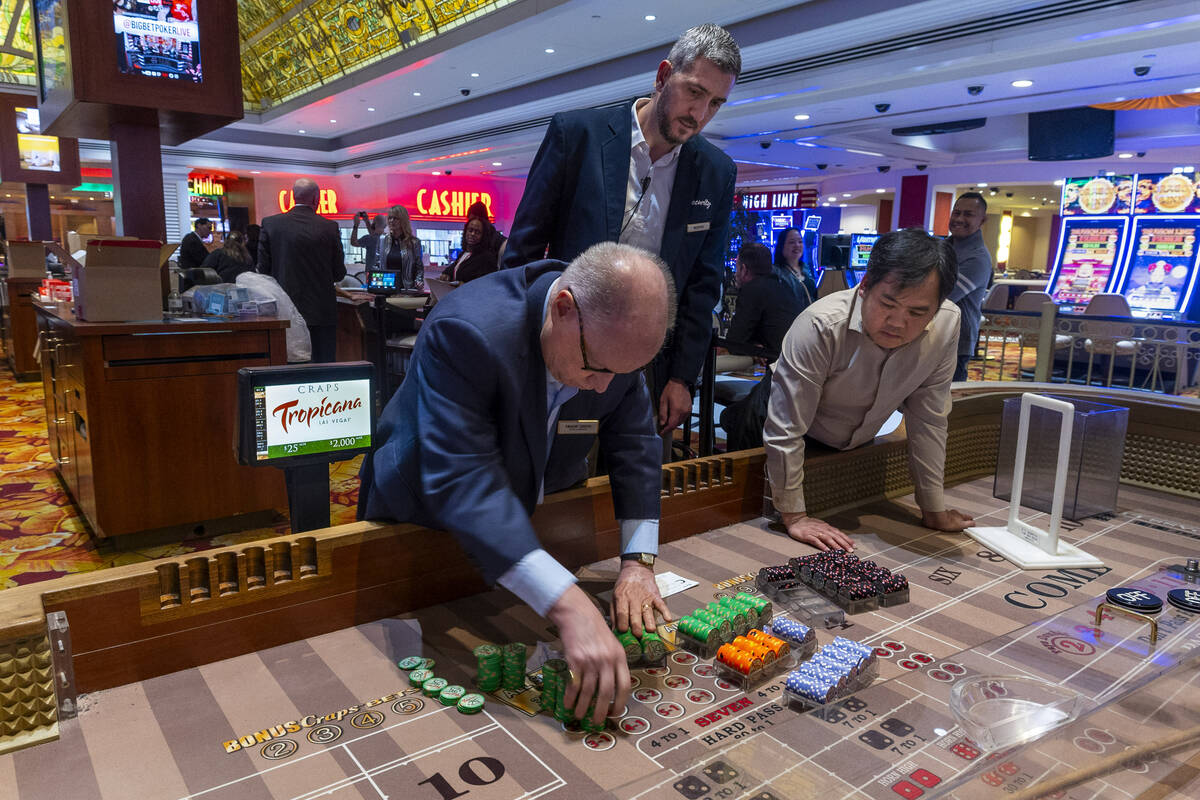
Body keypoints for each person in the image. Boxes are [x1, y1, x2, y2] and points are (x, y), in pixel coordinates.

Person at [360, 242, 675, 726]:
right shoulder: (467, 331)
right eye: (598, 368)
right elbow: (464, 480)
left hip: (522, 521)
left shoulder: (611, 345)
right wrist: (569, 605)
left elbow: (635, 441)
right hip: (418, 520)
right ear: (563, 308)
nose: (603, 387)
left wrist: (637, 561)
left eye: (625, 374)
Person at [501, 24, 741, 443]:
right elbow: (521, 254)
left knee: (636, 480)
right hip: (567, 350)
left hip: (652, 366)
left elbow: (703, 286)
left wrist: (682, 378)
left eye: (716, 103)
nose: (700, 115)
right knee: (557, 477)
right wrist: (521, 349)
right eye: (695, 92)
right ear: (664, 75)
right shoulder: (576, 136)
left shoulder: (716, 173)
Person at [763, 228, 976, 552]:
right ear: (864, 287)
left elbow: (929, 418)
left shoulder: (948, 324)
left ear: (937, 307)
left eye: (917, 312)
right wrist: (795, 517)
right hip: (774, 420)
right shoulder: (820, 325)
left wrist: (933, 509)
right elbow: (785, 430)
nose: (897, 322)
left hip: (849, 443)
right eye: (888, 303)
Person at [258, 178, 346, 363]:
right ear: (317, 199)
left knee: (288, 367)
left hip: (284, 310)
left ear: (292, 196)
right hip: (321, 311)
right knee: (324, 367)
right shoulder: (329, 227)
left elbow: (263, 272)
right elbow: (339, 273)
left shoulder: (271, 224)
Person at [725, 242, 806, 360]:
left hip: (783, 368)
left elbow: (734, 343)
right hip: (801, 361)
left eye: (737, 268)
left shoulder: (752, 289)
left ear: (743, 269)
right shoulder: (785, 287)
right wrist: (754, 345)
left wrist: (752, 346)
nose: (736, 274)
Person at [946, 192, 992, 382]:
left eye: (968, 214)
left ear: (982, 220)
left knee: (944, 406)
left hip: (955, 343)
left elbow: (942, 296)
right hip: (930, 336)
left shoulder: (977, 257)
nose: (959, 219)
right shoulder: (944, 247)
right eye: (956, 213)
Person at [377, 205, 423, 290]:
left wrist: (419, 281)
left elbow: (419, 267)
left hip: (407, 289)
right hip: (385, 288)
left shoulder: (414, 242)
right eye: (390, 218)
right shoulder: (382, 239)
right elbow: (377, 263)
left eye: (395, 218)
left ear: (403, 220)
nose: (392, 221)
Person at [440, 216, 498, 284]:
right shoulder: (464, 254)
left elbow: (485, 283)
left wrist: (463, 284)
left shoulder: (487, 257)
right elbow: (451, 270)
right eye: (470, 230)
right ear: (465, 232)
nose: (472, 234)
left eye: (477, 232)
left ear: (483, 236)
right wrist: (445, 275)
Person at [773, 227, 817, 307]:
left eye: (800, 242)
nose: (797, 245)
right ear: (781, 246)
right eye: (791, 242)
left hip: (810, 316)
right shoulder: (776, 272)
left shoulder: (805, 267)